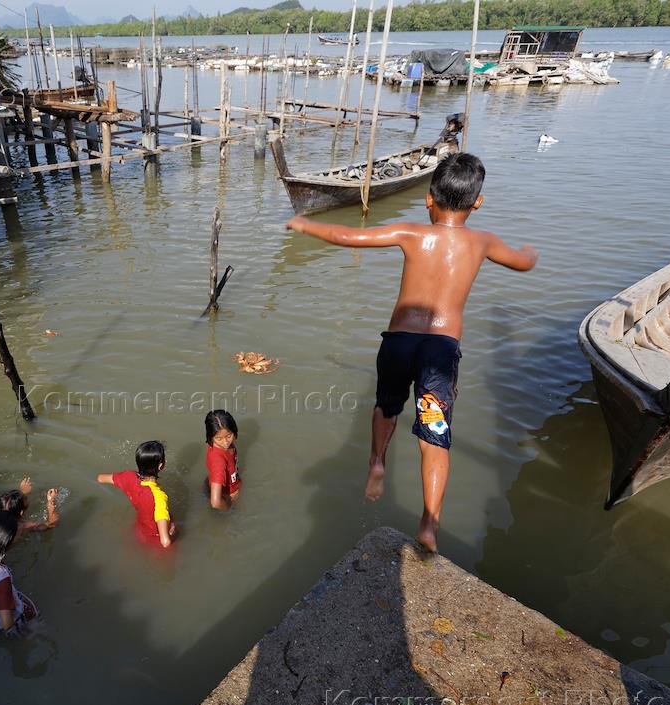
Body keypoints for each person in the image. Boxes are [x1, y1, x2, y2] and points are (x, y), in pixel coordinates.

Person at [286, 152, 537, 553]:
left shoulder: (412, 233)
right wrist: (528, 252)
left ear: (428, 198)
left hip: (399, 341)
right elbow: (523, 263)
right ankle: (429, 524)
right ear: (478, 202)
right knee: (435, 437)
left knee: (386, 407)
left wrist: (306, 224)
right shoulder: (483, 242)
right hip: (440, 350)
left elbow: (350, 236)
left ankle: (377, 462)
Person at [97, 440, 176, 548]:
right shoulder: (159, 497)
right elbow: (165, 542)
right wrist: (172, 528)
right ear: (161, 466)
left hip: (139, 530)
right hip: (155, 540)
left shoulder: (128, 476)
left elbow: (100, 478)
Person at [204, 410, 241, 510]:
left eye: (229, 436)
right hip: (227, 497)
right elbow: (215, 502)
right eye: (219, 439)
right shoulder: (219, 461)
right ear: (211, 437)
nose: (225, 442)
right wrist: (229, 507)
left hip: (220, 484)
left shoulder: (222, 445)